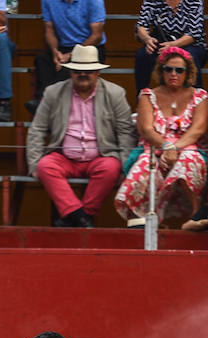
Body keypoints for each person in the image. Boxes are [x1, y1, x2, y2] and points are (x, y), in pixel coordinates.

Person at [26, 44, 134, 228]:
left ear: (98, 71)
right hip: (64, 155)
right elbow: (37, 129)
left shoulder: (115, 93)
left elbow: (125, 132)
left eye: (89, 71)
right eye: (77, 70)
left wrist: (125, 167)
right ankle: (79, 216)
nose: (83, 74)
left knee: (111, 168)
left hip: (100, 155)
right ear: (70, 72)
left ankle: (79, 215)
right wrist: (34, 162)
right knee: (45, 166)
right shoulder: (53, 92)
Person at [114, 46, 208, 227]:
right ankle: (142, 223)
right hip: (154, 147)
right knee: (146, 166)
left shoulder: (200, 96)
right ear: (161, 70)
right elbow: (146, 129)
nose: (173, 74)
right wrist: (166, 146)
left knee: (188, 161)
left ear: (188, 72)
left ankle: (196, 216)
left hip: (188, 148)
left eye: (179, 70)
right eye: (168, 69)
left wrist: (174, 149)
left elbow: (197, 130)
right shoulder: (147, 95)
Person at [32, 0, 105, 111]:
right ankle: (42, 100)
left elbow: (96, 36)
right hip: (63, 46)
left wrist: (71, 55)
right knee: (42, 60)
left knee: (68, 69)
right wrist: (55, 52)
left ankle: (50, 106)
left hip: (90, 46)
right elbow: (49, 30)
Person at [133, 0, 206, 95]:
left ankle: (198, 98)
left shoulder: (194, 1)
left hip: (190, 44)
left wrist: (173, 45)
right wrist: (147, 39)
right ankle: (141, 97)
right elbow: (141, 26)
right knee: (142, 54)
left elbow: (194, 34)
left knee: (190, 55)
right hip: (162, 42)